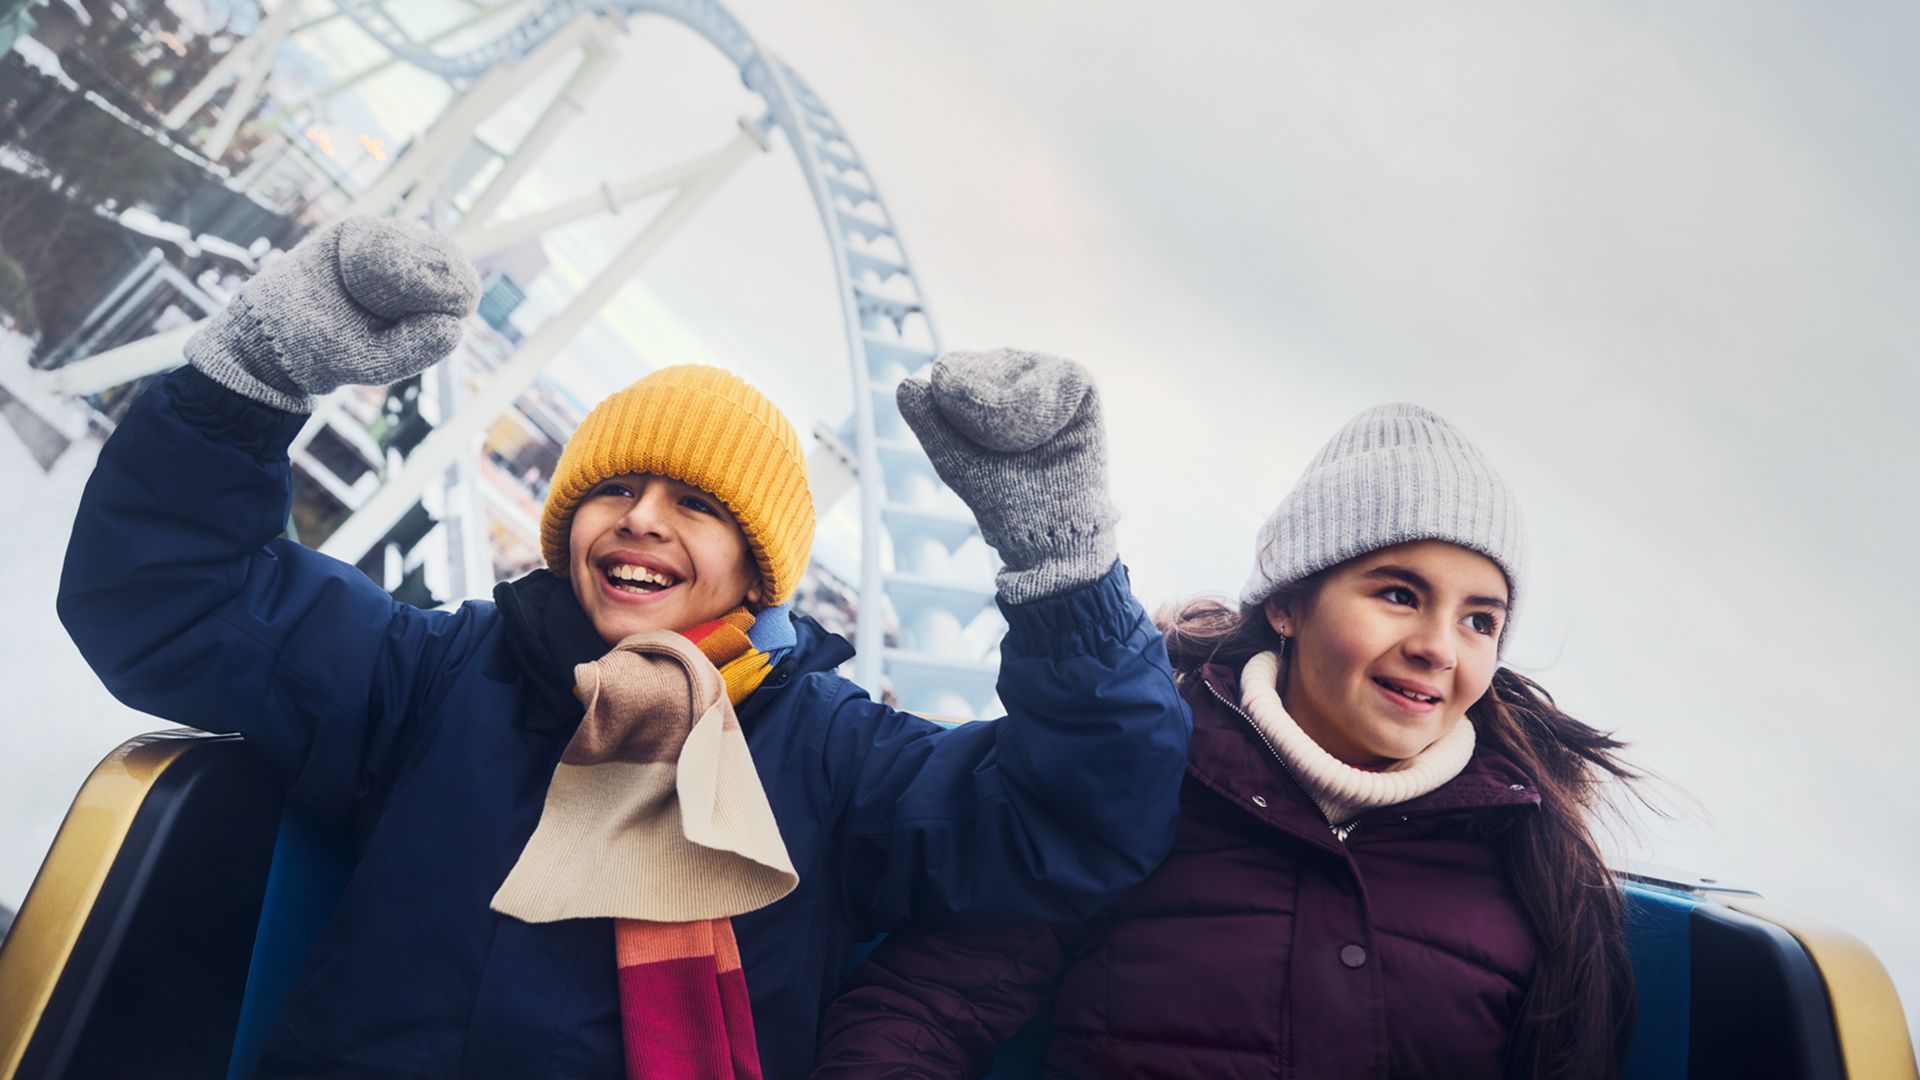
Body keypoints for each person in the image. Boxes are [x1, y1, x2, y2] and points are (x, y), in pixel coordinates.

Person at [56, 218, 1191, 1080]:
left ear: (759, 568)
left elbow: (1077, 817)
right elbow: (175, 598)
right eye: (612, 488)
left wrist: (1065, 574)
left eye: (697, 505)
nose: (642, 518)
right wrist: (252, 372)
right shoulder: (439, 677)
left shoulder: (839, 763)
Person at [812, 404, 1641, 1080]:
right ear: (1286, 604)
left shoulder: (1538, 870)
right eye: (1397, 592)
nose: (1439, 646)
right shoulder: (1138, 790)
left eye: (1480, 619)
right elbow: (929, 1009)